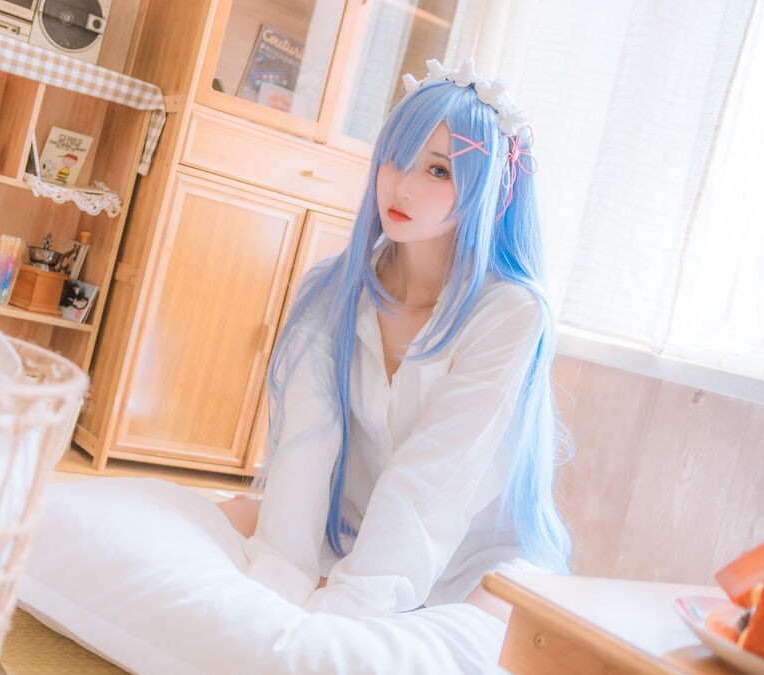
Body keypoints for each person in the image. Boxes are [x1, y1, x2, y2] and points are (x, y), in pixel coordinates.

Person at [218, 59, 572, 620]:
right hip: (348, 532)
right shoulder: (332, 288)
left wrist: (349, 608)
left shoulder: (510, 314)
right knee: (195, 528)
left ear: (489, 186)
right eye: (396, 157)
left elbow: (431, 478)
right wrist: (277, 585)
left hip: (467, 562)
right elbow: (305, 447)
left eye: (438, 170)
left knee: (492, 627)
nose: (403, 186)